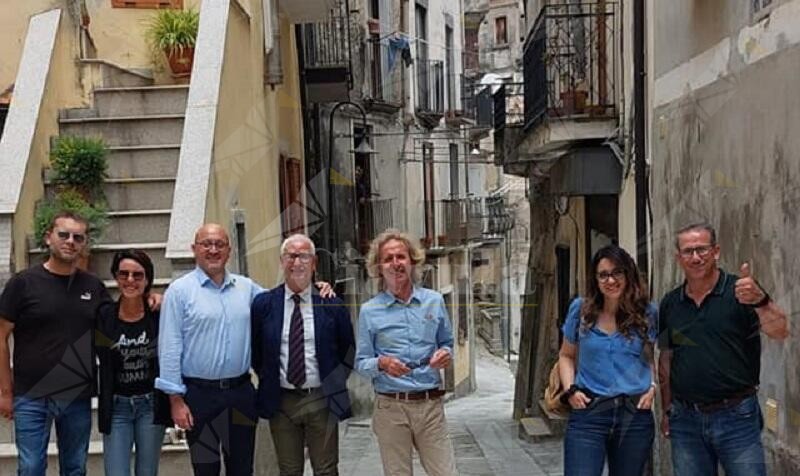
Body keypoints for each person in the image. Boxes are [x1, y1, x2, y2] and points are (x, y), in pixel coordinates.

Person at [658, 222, 789, 476]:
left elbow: (781, 331)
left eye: (702, 249)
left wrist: (761, 301)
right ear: (678, 257)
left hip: (737, 418)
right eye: (688, 251)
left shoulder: (741, 292)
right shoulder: (670, 304)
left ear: (716, 251)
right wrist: (666, 410)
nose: (695, 257)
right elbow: (666, 358)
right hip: (685, 420)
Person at [0, 211, 112, 475]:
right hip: (30, 395)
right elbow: (1, 336)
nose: (70, 241)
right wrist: (5, 392)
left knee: (74, 468)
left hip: (77, 396)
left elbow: (118, 324)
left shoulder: (93, 287)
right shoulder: (23, 284)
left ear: (84, 243)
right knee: (30, 468)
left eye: (78, 237)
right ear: (49, 237)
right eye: (64, 235)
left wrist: (153, 300)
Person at [155, 224, 263, 476]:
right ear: (194, 249)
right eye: (206, 244)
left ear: (229, 251)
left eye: (220, 244)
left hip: (240, 394)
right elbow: (170, 347)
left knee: (242, 469)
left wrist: (317, 288)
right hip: (199, 397)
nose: (213, 250)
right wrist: (176, 400)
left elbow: (280, 303)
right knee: (205, 469)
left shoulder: (247, 288)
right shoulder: (179, 292)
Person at [355, 229, 456, 476]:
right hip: (391, 407)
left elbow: (447, 342)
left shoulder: (434, 301)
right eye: (388, 259)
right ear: (379, 267)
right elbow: (361, 362)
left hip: (430, 405)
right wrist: (382, 363)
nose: (395, 263)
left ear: (412, 261)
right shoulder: (369, 311)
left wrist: (444, 353)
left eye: (401, 257)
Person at [251, 234, 355, 476]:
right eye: (291, 256)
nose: (297, 262)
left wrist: (334, 381)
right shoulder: (264, 305)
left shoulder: (331, 305)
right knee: (289, 470)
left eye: (303, 256)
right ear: (282, 261)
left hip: (321, 398)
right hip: (282, 402)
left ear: (314, 262)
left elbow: (347, 351)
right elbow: (257, 352)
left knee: (326, 469)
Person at [558, 245, 658, 476]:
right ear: (596, 279)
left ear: (628, 274)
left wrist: (653, 388)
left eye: (617, 273)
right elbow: (566, 355)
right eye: (603, 275)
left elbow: (650, 356)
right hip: (589, 413)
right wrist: (570, 389)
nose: (610, 280)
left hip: (634, 414)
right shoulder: (581, 310)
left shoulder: (647, 313)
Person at [97, 249, 172, 476]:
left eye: (137, 275)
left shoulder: (159, 315)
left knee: (147, 472)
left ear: (147, 279)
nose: (130, 280)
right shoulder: (104, 316)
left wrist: (163, 298)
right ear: (116, 277)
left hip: (150, 405)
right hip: (117, 406)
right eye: (123, 274)